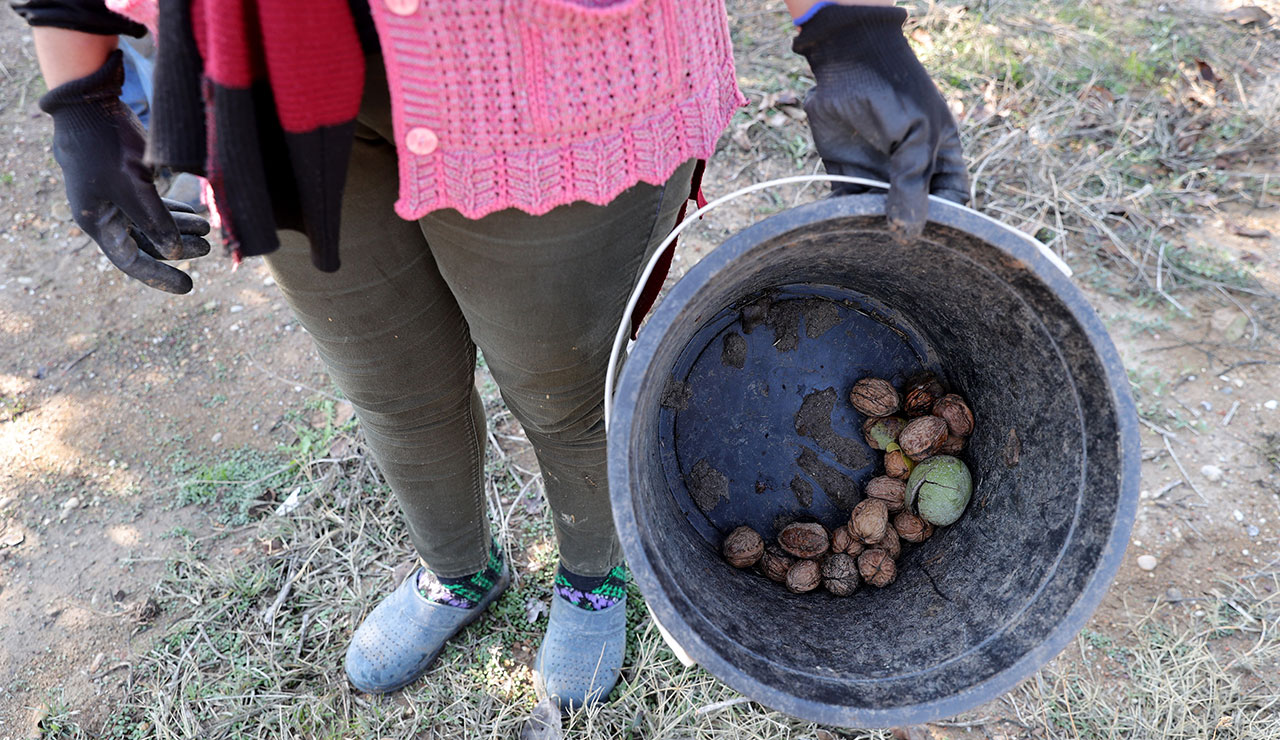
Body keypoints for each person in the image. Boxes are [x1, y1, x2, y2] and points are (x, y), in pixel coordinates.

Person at [13, 0, 968, 710]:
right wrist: (80, 84)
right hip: (273, 69)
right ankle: (457, 569)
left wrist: (847, 21)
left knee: (566, 387)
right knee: (390, 386)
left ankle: (594, 575)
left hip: (553, 70)